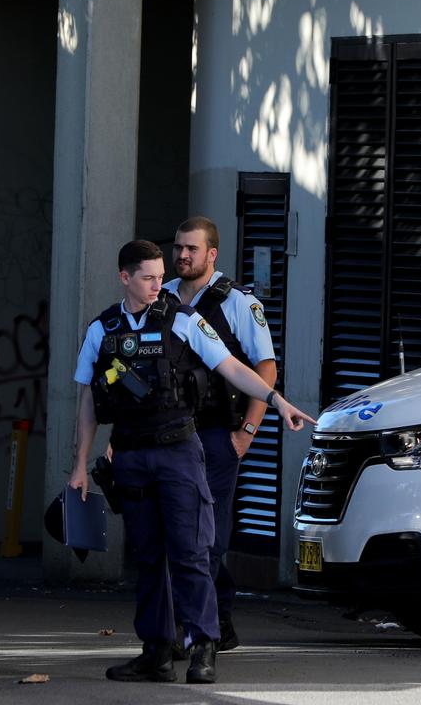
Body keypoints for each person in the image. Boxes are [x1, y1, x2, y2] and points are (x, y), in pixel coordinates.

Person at [68, 239, 315, 685]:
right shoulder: (101, 329)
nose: (159, 285)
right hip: (130, 454)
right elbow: (87, 397)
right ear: (125, 277)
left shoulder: (183, 319)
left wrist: (277, 402)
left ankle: (204, 646)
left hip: (179, 451)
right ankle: (156, 652)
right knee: (148, 557)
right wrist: (81, 463)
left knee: (191, 552)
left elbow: (233, 367)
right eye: (148, 277)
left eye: (162, 276)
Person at [164, 216, 275, 652]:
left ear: (212, 254)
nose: (182, 256)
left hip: (217, 433)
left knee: (206, 535)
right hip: (172, 432)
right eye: (178, 248)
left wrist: (246, 433)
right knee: (180, 530)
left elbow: (265, 368)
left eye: (192, 249)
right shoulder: (165, 297)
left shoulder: (238, 304)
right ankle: (219, 618)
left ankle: (192, 631)